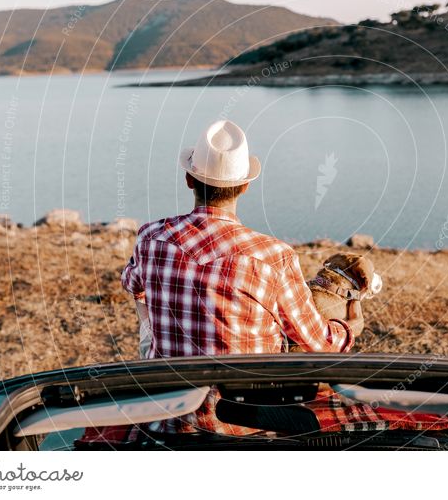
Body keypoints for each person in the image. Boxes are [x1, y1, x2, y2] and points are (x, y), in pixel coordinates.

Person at [121, 120, 364, 433]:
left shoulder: (151, 238)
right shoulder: (273, 256)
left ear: (189, 180)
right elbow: (319, 342)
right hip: (248, 426)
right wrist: (349, 329)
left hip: (169, 422)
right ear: (245, 186)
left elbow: (132, 285)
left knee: (148, 319)